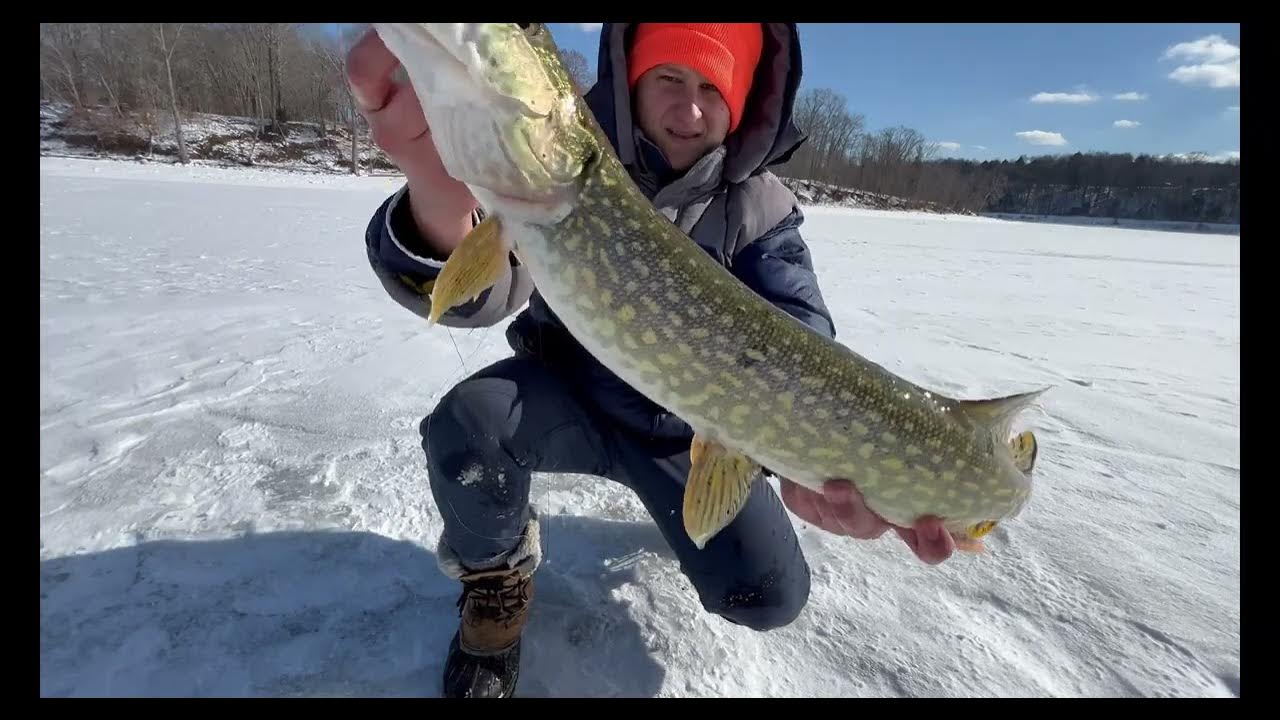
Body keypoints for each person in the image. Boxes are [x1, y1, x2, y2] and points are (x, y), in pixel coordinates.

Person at [347, 22, 956, 698]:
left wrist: (820, 458)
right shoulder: (559, 177)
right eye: (668, 79)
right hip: (565, 399)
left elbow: (801, 338)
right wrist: (438, 193)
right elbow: (478, 298)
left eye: (709, 88)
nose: (689, 109)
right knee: (469, 430)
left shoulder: (761, 212)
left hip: (686, 437)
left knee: (768, 595)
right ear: (628, 83)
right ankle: (496, 577)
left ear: (740, 100)